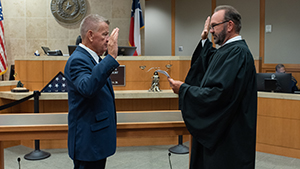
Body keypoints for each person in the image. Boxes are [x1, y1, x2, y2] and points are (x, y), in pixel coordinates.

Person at [168, 5, 257, 169]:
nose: (211, 31)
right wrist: (204, 39)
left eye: (214, 26)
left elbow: (218, 93)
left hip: (229, 136)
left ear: (229, 25)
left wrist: (184, 90)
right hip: (222, 134)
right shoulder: (227, 51)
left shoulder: (238, 53)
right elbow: (207, 63)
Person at [64, 14, 119, 169]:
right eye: (104, 34)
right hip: (88, 142)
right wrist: (111, 57)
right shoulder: (78, 60)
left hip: (96, 139)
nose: (108, 39)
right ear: (90, 35)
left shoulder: (93, 59)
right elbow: (88, 88)